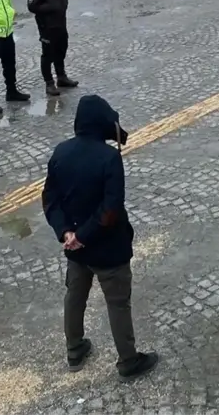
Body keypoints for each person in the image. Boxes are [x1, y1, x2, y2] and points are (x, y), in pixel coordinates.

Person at [42, 94, 158, 378]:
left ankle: (75, 349)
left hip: (76, 248)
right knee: (118, 303)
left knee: (75, 296)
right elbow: (111, 209)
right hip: (108, 248)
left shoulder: (60, 152)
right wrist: (84, 234)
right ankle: (128, 360)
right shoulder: (109, 158)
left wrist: (67, 233)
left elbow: (50, 200)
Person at [27, 0, 78, 97]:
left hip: (61, 24)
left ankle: (61, 77)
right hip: (47, 28)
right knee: (48, 55)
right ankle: (49, 83)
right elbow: (32, 7)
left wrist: (63, 4)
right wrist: (50, 7)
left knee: (61, 50)